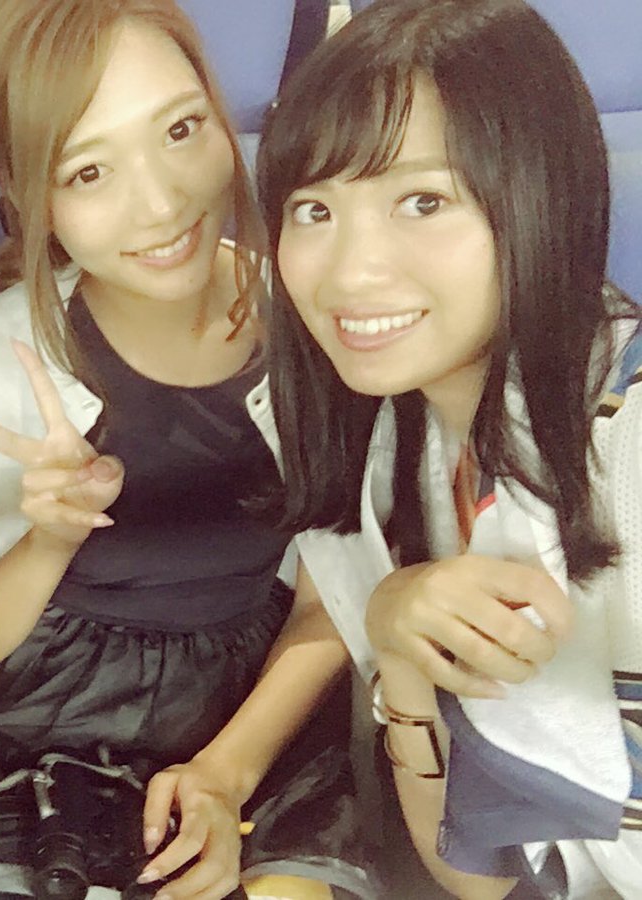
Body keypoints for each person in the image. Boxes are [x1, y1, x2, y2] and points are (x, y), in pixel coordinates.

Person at [0, 2, 375, 898]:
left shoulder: (312, 315)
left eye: (182, 129)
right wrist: (48, 539)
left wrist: (225, 773)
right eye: (89, 171)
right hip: (29, 731)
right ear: (28, 192)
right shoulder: (6, 352)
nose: (161, 203)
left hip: (255, 717)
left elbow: (334, 603)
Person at [255, 0, 642, 896]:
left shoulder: (627, 445)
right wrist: (393, 633)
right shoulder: (396, 448)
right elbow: (472, 877)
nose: (350, 271)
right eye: (313, 208)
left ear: (540, 196)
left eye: (422, 201)